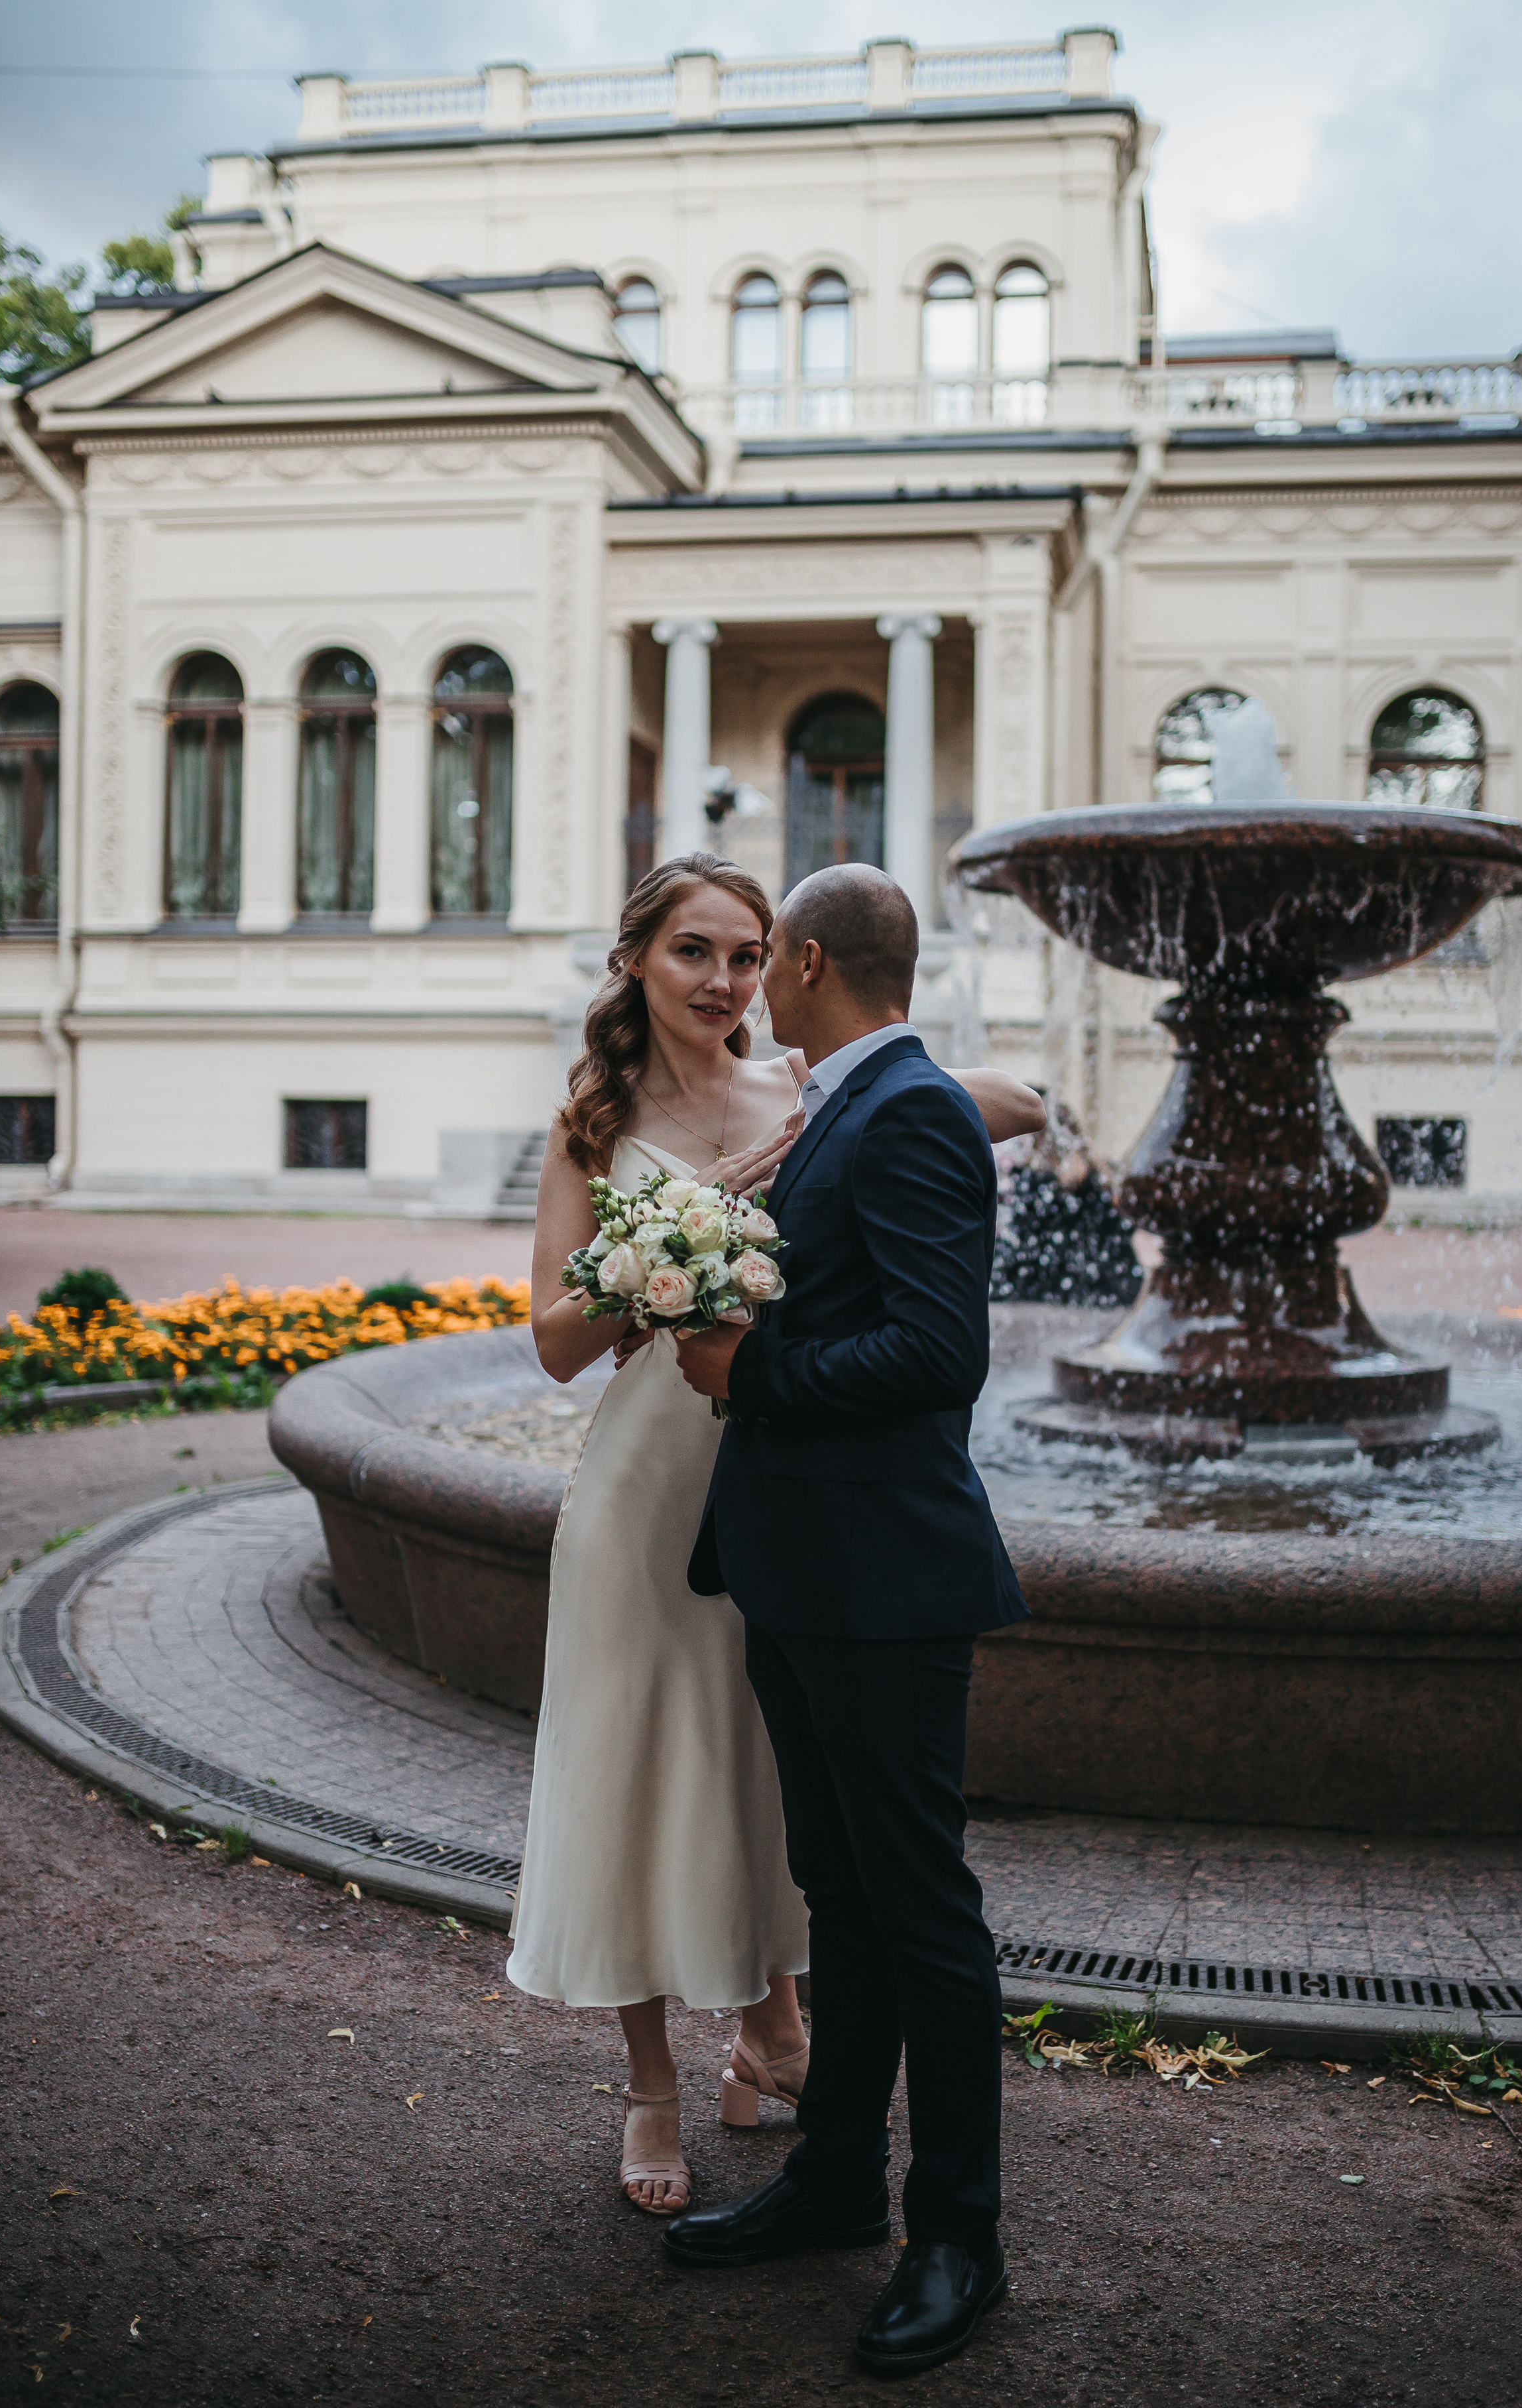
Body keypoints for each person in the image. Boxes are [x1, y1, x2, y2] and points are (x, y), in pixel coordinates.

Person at [506, 853, 1043, 2221]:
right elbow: (558, 1343)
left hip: (788, 1477)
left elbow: (1001, 1102)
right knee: (636, 1762)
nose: (723, 982)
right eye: (694, 952)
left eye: (747, 955)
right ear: (637, 960)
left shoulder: (809, 1087)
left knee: (773, 1776)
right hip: (649, 1475)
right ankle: (652, 2084)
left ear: (786, 968)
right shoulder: (590, 1117)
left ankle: (774, 2037)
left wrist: (810, 1126)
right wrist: (669, 1244)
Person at [665, 863, 1028, 2379]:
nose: (755, 985)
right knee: (845, 1895)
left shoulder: (914, 1111)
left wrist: (749, 1376)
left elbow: (936, 1355)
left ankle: (956, 2237)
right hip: (802, 1570)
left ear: (807, 960)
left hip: (884, 1582)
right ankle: (832, 2183)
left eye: (770, 961)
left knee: (919, 1911)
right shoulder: (842, 1106)